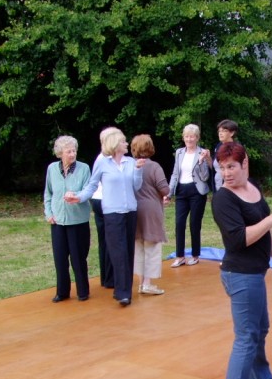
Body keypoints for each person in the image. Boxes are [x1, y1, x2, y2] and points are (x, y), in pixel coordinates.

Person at [211, 142, 272, 379]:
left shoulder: (252, 188)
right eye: (222, 168)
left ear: (245, 165)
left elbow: (266, 233)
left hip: (255, 272)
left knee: (260, 329)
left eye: (231, 166)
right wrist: (271, 219)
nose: (226, 173)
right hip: (239, 274)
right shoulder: (223, 199)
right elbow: (239, 239)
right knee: (246, 337)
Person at [66, 127, 143, 306]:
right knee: (118, 251)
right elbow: (92, 185)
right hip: (112, 213)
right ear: (115, 144)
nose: (127, 144)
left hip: (130, 211)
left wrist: (138, 170)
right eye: (124, 141)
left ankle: (124, 290)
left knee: (128, 251)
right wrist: (79, 197)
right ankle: (122, 292)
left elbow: (137, 186)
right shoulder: (102, 163)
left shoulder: (130, 162)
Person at [43, 135, 92, 303]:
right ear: (60, 153)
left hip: (78, 221)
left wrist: (76, 196)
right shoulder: (51, 169)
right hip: (58, 221)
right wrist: (48, 213)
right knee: (60, 258)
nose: (72, 154)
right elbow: (48, 193)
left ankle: (83, 291)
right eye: (68, 151)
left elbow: (88, 191)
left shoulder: (84, 168)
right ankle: (62, 292)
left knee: (78, 258)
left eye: (74, 150)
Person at [131, 133, 170, 296]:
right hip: (151, 210)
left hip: (134, 209)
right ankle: (147, 283)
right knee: (152, 246)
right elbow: (165, 189)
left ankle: (140, 283)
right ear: (150, 148)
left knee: (138, 246)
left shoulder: (130, 166)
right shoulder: (154, 167)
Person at [168, 124, 211, 267]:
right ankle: (180, 256)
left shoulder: (202, 153)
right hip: (181, 191)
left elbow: (205, 177)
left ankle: (195, 254)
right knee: (179, 224)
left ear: (197, 138)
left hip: (196, 191)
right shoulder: (179, 152)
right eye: (186, 136)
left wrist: (202, 162)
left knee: (194, 224)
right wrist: (169, 192)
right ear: (183, 137)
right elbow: (175, 173)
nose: (189, 139)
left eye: (192, 136)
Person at [213, 119, 238, 190]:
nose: (220, 133)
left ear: (232, 133)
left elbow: (243, 170)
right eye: (219, 131)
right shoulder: (218, 146)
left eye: (224, 131)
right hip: (218, 186)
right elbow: (215, 167)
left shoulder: (236, 149)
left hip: (232, 187)